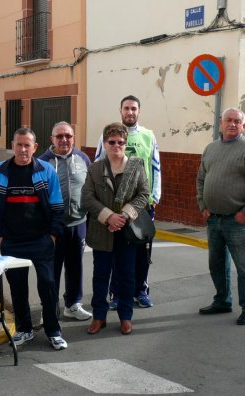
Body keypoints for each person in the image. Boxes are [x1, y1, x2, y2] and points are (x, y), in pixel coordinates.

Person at [0, 127, 67, 350]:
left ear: (35, 147)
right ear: (12, 145)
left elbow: (58, 206)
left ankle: (53, 330)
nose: (23, 149)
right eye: (19, 144)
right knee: (18, 288)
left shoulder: (46, 170)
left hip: (41, 240)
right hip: (12, 241)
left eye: (27, 145)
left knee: (48, 284)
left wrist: (52, 235)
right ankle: (24, 329)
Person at [196, 108, 245, 325]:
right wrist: (203, 205)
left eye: (237, 121)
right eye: (228, 120)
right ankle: (222, 301)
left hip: (237, 221)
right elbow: (201, 180)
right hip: (214, 219)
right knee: (216, 265)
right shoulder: (211, 149)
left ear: (243, 126)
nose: (232, 124)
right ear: (220, 123)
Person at [82, 122, 149, 335]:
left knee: (126, 276)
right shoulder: (95, 169)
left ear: (125, 143)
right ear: (104, 143)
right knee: (101, 275)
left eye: (121, 142)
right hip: (102, 231)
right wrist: (108, 216)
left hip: (127, 232)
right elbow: (87, 197)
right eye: (112, 142)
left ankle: (125, 317)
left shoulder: (136, 166)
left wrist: (124, 215)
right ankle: (99, 317)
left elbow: (144, 194)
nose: (116, 145)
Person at [95, 95, 161, 309]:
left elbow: (155, 167)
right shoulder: (106, 136)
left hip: (141, 205)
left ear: (139, 111)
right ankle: (116, 293)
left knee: (142, 252)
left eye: (133, 108)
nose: (130, 112)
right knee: (115, 250)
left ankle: (141, 290)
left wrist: (155, 196)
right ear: (120, 110)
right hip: (113, 207)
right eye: (126, 108)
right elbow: (97, 165)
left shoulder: (149, 136)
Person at [39, 121, 92, 321]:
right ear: (52, 139)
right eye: (59, 136)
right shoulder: (42, 162)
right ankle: (50, 309)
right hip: (52, 227)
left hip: (78, 224)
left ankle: (73, 304)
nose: (64, 140)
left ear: (73, 138)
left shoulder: (83, 159)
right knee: (51, 270)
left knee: (75, 266)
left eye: (68, 136)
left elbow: (90, 188)